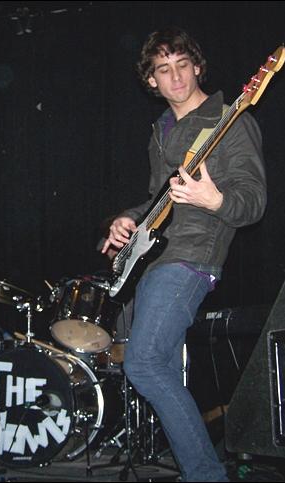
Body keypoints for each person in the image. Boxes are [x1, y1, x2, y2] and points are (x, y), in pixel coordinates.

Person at [102, 27, 267, 481]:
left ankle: (206, 475)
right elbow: (162, 197)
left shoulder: (230, 121)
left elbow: (252, 201)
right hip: (156, 258)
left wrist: (214, 200)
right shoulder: (161, 130)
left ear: (197, 67)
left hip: (191, 258)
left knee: (144, 364)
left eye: (182, 65)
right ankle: (199, 469)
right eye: (163, 69)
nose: (175, 77)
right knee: (163, 371)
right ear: (151, 81)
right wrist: (130, 218)